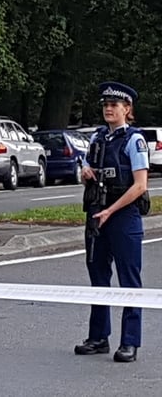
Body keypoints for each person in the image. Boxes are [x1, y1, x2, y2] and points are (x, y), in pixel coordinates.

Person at [75, 81, 148, 362]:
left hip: (123, 214)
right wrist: (85, 172)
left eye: (114, 105)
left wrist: (111, 210)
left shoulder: (134, 140)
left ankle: (129, 342)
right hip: (97, 212)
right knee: (98, 276)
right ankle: (98, 337)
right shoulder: (97, 139)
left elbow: (140, 185)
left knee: (129, 280)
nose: (108, 109)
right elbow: (86, 166)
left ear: (127, 109)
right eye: (105, 104)